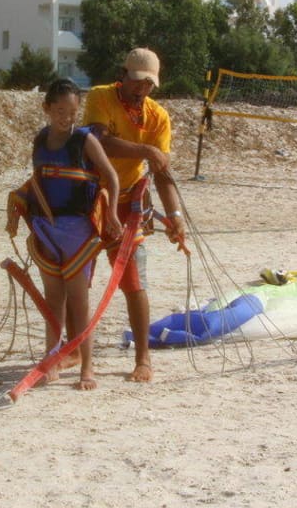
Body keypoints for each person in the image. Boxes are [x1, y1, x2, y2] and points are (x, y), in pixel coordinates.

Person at [6, 79, 122, 390]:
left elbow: (110, 176)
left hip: (78, 233)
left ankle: (87, 366)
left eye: (72, 112)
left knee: (79, 301)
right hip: (47, 230)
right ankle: (52, 359)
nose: (66, 118)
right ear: (47, 109)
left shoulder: (85, 140)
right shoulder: (40, 140)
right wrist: (19, 204)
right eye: (59, 111)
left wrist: (110, 214)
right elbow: (38, 181)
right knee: (53, 300)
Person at [82, 47, 186, 383]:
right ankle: (74, 350)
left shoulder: (158, 118)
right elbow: (98, 142)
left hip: (129, 202)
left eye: (149, 84)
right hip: (90, 198)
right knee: (78, 279)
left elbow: (162, 171)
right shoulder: (100, 97)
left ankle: (143, 358)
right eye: (138, 81)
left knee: (134, 281)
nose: (142, 89)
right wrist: (145, 150)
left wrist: (174, 214)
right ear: (123, 75)